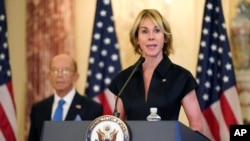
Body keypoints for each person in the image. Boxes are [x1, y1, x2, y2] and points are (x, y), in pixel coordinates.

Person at [108, 9, 203, 133]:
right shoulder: (123, 80)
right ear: (136, 39)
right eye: (144, 31)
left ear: (165, 38)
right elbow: (117, 129)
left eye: (157, 30)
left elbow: (197, 126)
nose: (151, 37)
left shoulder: (182, 77)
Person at [28, 53, 103, 141]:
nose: (59, 75)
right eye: (55, 70)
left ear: (75, 77)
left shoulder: (92, 108)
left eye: (65, 71)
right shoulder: (38, 109)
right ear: (49, 75)